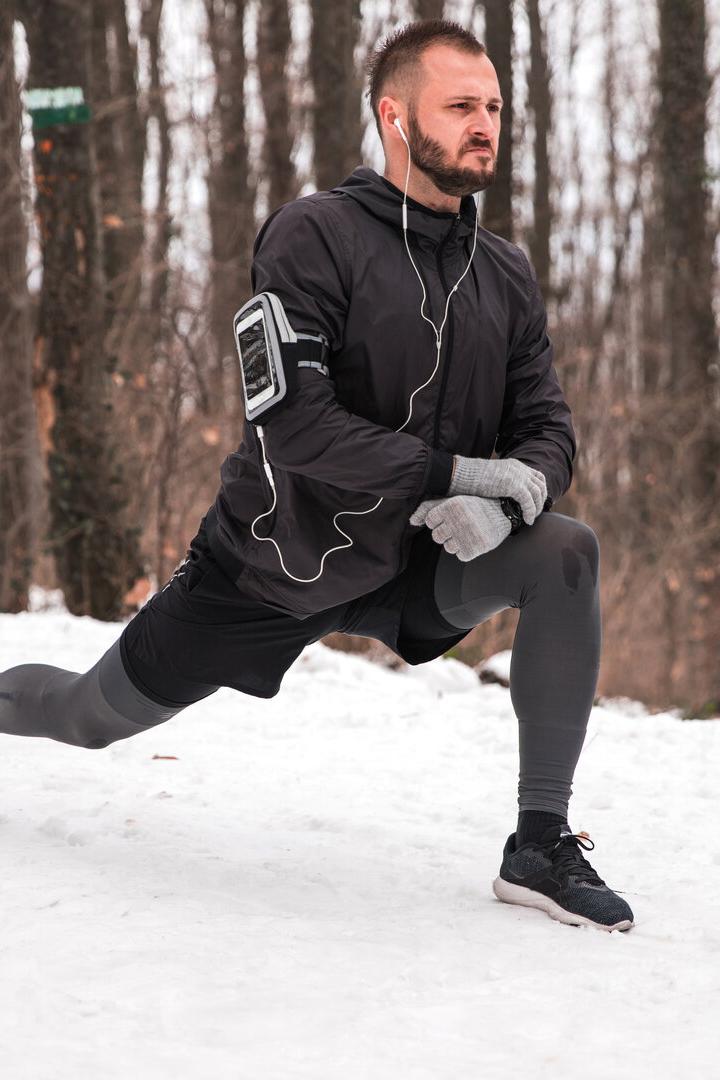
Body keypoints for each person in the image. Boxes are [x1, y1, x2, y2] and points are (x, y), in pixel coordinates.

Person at [0, 19, 633, 932]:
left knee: (564, 552)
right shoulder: (313, 236)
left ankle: (539, 844)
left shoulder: (505, 274)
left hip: (420, 565)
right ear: (395, 117)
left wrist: (512, 501)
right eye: (460, 106)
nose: (484, 124)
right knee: (89, 713)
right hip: (272, 561)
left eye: (492, 107)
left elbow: (548, 430)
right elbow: (294, 424)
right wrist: (459, 473)